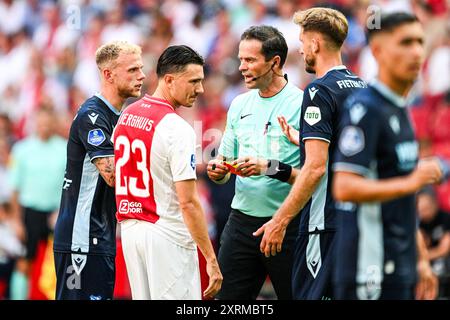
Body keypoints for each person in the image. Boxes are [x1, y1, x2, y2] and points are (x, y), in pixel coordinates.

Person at [248, 8, 366, 300]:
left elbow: (315, 167)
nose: (300, 50)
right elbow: (351, 150)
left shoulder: (318, 91)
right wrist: (305, 138)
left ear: (315, 44)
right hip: (358, 224)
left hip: (323, 226)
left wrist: (280, 220)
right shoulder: (362, 88)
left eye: (302, 41)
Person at [332, 12, 443, 300]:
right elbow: (344, 186)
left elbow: (402, 197)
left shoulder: (400, 108)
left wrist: (419, 259)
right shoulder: (366, 108)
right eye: (405, 42)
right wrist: (413, 181)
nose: (417, 51)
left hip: (400, 264)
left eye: (420, 41)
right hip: (368, 269)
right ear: (378, 51)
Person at [114, 45, 222, 300]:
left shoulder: (126, 115)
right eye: (194, 81)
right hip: (166, 233)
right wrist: (210, 258)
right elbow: (188, 202)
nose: (200, 89)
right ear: (170, 80)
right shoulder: (177, 128)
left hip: (131, 231)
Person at [206, 25, 303, 300]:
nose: (242, 67)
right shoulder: (238, 104)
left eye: (250, 60)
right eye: (240, 59)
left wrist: (267, 167)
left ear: (274, 63)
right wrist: (219, 171)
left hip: (287, 224)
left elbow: (313, 176)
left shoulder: (303, 104)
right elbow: (224, 162)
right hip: (241, 223)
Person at [53, 41, 145, 300]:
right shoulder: (92, 115)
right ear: (108, 74)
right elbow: (113, 175)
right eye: (132, 70)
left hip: (100, 234)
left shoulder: (119, 116)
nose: (142, 75)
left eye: (141, 68)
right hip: (80, 237)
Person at [8, 107, 66, 299]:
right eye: (40, 123)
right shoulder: (21, 149)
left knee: (62, 264)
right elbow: (14, 189)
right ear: (34, 124)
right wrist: (16, 221)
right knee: (25, 262)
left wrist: (62, 210)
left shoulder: (64, 148)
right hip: (30, 213)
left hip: (57, 214)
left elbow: (71, 186)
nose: (44, 127)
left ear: (54, 124)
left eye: (48, 123)